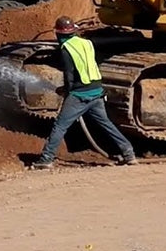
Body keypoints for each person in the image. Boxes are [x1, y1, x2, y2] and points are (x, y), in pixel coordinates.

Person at [30, 16, 138, 169]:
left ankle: (46, 159)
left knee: (60, 126)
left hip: (80, 95)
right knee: (106, 123)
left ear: (59, 34)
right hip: (96, 91)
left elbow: (69, 73)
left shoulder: (66, 48)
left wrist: (67, 91)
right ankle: (129, 154)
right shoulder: (86, 43)